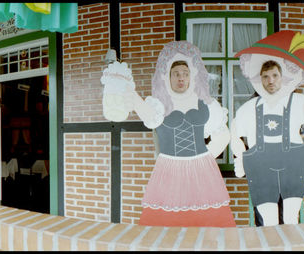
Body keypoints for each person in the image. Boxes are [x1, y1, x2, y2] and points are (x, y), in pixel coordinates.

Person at [101, 41, 235, 227]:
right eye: (176, 74)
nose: (181, 78)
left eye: (185, 74)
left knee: (208, 226)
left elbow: (223, 135)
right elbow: (144, 113)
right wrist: (126, 90)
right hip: (169, 170)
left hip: (202, 172)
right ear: (168, 77)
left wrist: (205, 159)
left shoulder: (207, 103)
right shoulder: (158, 105)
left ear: (192, 77)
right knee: (166, 226)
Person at [230, 30, 304, 226]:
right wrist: (240, 160)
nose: (270, 81)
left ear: (282, 77)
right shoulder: (250, 108)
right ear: (260, 79)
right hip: (262, 172)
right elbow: (235, 134)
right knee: (268, 222)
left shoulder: (298, 102)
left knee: (291, 219)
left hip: (292, 169)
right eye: (265, 76)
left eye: (275, 75)